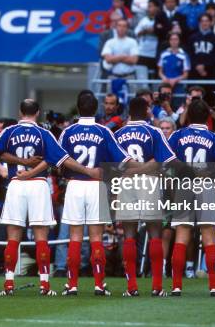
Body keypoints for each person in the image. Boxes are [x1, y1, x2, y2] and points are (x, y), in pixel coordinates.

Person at [0, 99, 100, 296]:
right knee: (41, 237)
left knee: (13, 237)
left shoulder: (8, 132)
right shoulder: (44, 133)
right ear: (38, 112)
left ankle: (8, 285)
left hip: (16, 183)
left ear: (19, 111)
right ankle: (44, 285)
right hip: (38, 185)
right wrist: (33, 171)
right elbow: (54, 159)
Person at [59, 93, 131, 295]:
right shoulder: (104, 132)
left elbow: (60, 162)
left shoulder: (68, 132)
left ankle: (72, 285)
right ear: (96, 108)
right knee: (97, 237)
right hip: (97, 185)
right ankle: (99, 284)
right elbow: (120, 162)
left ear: (78, 107)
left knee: (74, 237)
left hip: (74, 184)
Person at [114, 97, 177, 297]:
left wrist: (131, 172)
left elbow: (115, 165)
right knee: (155, 233)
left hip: (125, 183)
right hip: (149, 181)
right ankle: (157, 287)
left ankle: (131, 287)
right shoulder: (154, 131)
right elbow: (162, 161)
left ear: (129, 112)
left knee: (129, 235)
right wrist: (142, 169)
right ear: (148, 110)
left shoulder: (118, 133)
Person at [167, 99, 215, 297]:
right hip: (206, 185)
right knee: (209, 236)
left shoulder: (177, 135)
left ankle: (176, 286)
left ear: (189, 116)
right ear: (208, 116)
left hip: (184, 186)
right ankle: (214, 286)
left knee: (182, 236)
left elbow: (167, 162)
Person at [188, 13, 215, 84]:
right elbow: (190, 55)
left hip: (210, 74)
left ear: (211, 22)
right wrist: (197, 66)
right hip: (194, 73)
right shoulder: (192, 38)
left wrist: (205, 66)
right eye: (202, 21)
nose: (204, 23)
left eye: (206, 21)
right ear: (199, 23)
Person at [158, 32, 190, 97]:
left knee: (177, 105)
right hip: (165, 85)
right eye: (172, 39)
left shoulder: (184, 55)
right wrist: (164, 78)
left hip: (179, 86)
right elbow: (160, 71)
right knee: (164, 104)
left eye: (176, 39)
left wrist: (175, 80)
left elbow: (185, 74)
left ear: (179, 41)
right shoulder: (163, 54)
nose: (174, 41)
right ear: (169, 41)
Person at [134, 0, 159, 74]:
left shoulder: (161, 19)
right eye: (148, 7)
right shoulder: (143, 20)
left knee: (154, 78)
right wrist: (145, 31)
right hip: (143, 53)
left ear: (157, 8)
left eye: (151, 6)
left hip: (156, 53)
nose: (148, 9)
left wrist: (155, 30)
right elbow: (136, 33)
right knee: (142, 76)